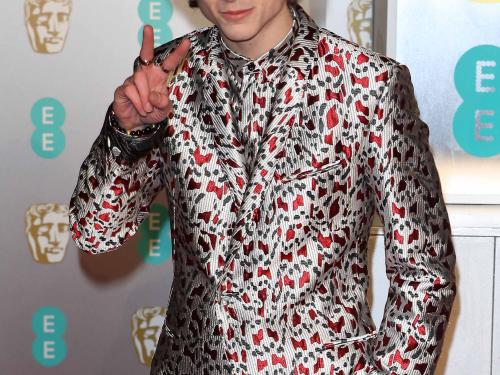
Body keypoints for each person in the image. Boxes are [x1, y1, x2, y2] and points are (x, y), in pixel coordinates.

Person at [69, 0, 457, 374]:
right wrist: (129, 135)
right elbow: (95, 232)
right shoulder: (167, 79)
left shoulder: (368, 83)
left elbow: (425, 272)